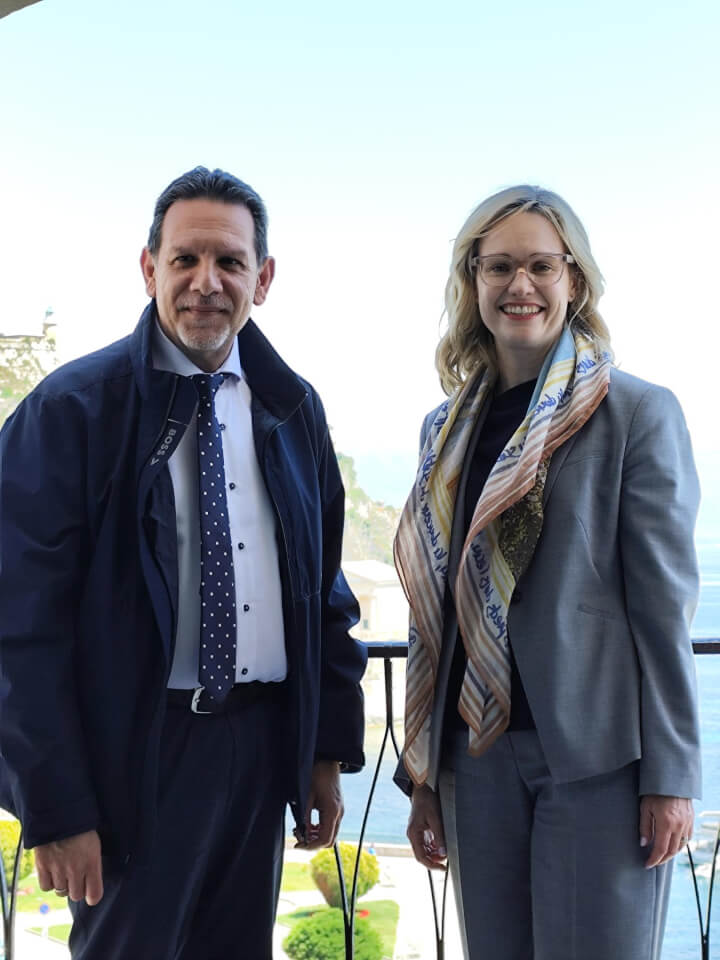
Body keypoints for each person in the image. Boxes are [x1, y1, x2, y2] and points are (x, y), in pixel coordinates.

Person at [0, 166, 367, 959]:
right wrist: (54, 805)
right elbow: (19, 625)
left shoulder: (293, 408)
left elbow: (323, 589)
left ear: (262, 280)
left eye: (230, 261)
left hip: (259, 748)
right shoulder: (70, 411)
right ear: (149, 269)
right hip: (135, 757)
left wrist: (324, 751)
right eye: (185, 259)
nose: (207, 282)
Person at [393, 185, 701, 959]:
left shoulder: (637, 414)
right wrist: (424, 772)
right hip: (475, 754)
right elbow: (435, 600)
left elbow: (663, 608)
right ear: (473, 280)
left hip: (597, 760)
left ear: (575, 279)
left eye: (540, 265)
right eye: (498, 266)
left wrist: (672, 776)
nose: (519, 285)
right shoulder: (444, 429)